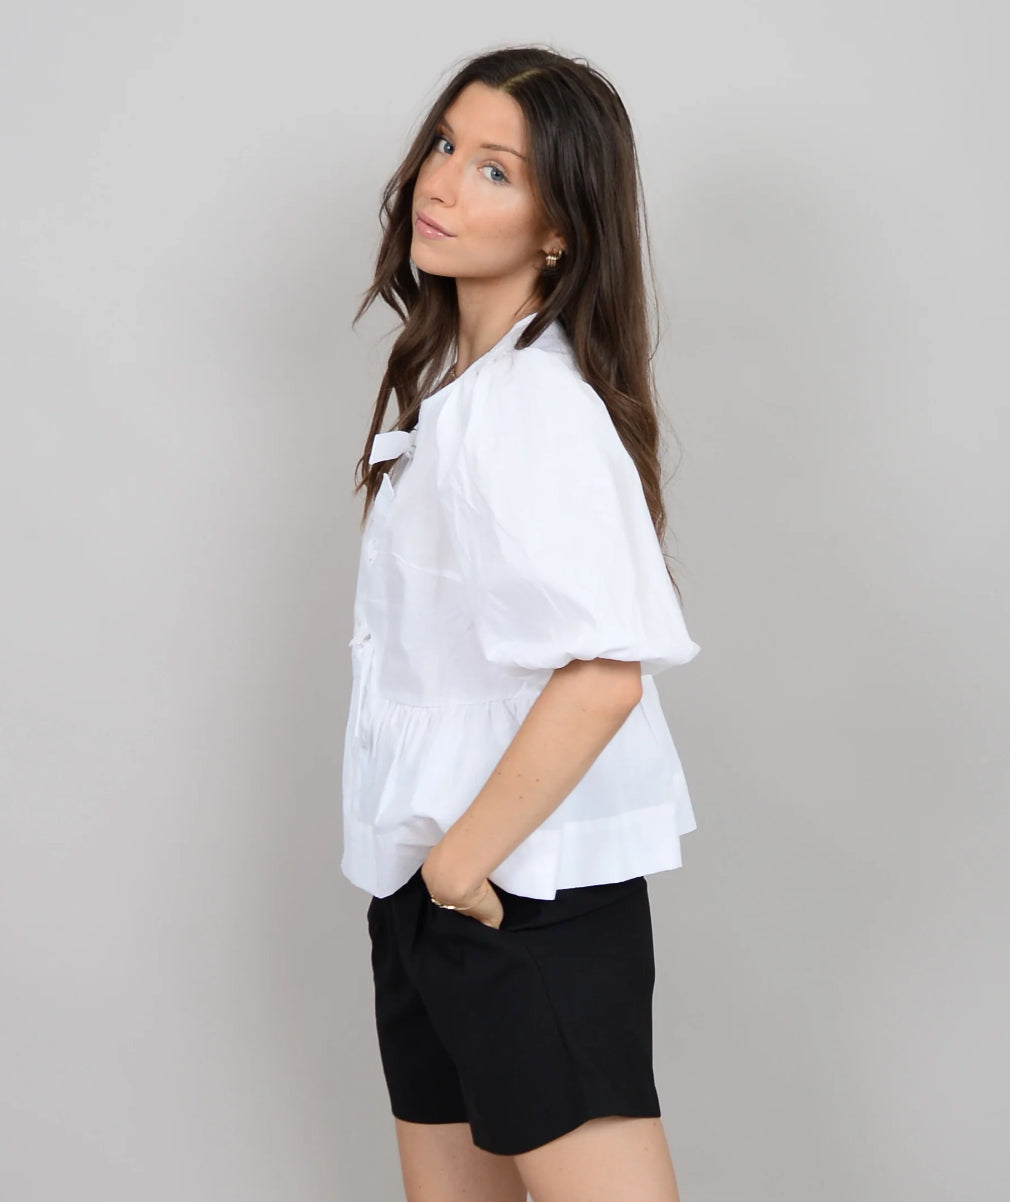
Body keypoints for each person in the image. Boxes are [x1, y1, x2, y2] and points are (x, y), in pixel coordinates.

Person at [343, 45, 701, 1202]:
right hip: (433, 883)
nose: (442, 183)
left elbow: (603, 671)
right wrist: (430, 880)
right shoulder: (459, 394)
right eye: (445, 145)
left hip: (513, 889)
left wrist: (458, 866)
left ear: (558, 228)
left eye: (495, 170)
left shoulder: (532, 409)